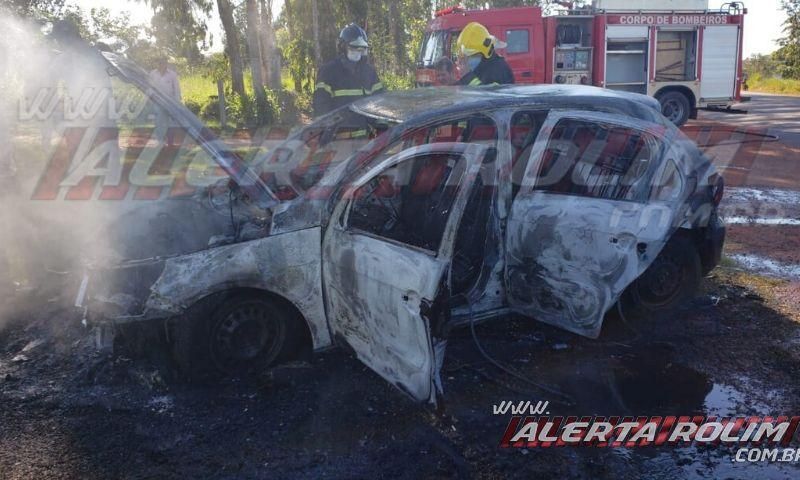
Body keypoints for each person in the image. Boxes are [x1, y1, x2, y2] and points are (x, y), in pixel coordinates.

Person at [313, 23, 384, 117]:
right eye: (354, 48)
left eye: (361, 49)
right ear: (342, 47)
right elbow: (321, 106)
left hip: (367, 130)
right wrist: (331, 127)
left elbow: (380, 102)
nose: (357, 52)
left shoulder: (370, 72)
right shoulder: (328, 71)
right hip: (339, 130)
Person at [455, 22, 515, 87]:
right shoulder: (480, 68)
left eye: (473, 55)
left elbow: (487, 95)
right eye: (465, 56)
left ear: (485, 52)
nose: (467, 60)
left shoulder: (498, 69)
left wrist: (467, 76)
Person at [149, 57, 182, 146]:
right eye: (159, 63)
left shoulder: (172, 74)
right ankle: (160, 141)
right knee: (159, 122)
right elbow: (150, 87)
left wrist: (177, 103)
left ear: (166, 64)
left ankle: (170, 141)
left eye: (163, 63)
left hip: (171, 102)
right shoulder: (152, 74)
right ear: (157, 64)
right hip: (158, 102)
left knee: (171, 123)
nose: (161, 65)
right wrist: (152, 97)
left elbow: (177, 89)